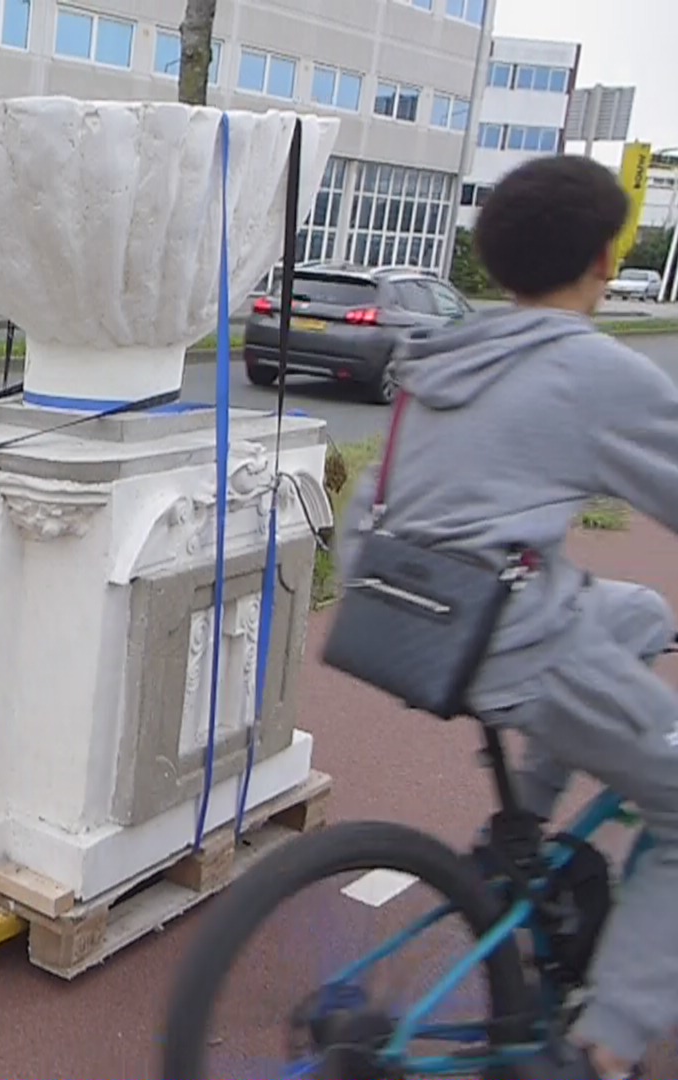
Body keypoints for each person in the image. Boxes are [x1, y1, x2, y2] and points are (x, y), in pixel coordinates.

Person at [335, 154, 677, 1080]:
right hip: (507, 634)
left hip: (398, 614)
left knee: (640, 612)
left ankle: (517, 836)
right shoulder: (594, 371)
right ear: (606, 259)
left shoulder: (447, 354)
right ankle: (602, 1049)